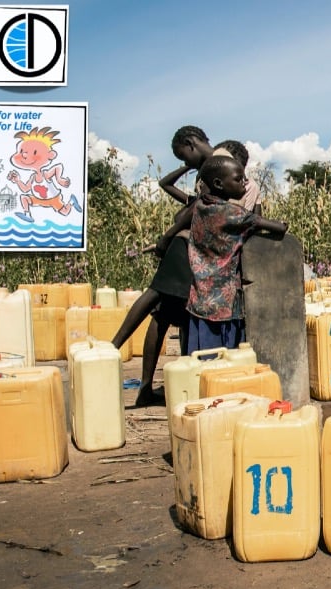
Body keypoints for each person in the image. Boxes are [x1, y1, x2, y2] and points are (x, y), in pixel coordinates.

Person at [111, 125, 216, 407]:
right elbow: (171, 188)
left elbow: (198, 208)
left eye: (184, 156)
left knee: (160, 307)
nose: (185, 162)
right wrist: (189, 166)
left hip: (186, 245)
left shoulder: (216, 164)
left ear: (191, 143)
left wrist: (167, 236)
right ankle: (130, 368)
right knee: (159, 306)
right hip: (185, 245)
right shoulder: (205, 169)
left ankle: (119, 354)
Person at [185, 154, 287, 352]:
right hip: (224, 304)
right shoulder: (233, 213)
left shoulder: (201, 206)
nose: (244, 184)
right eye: (238, 179)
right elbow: (277, 227)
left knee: (201, 359)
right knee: (225, 358)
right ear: (218, 184)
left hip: (199, 298)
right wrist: (282, 224)